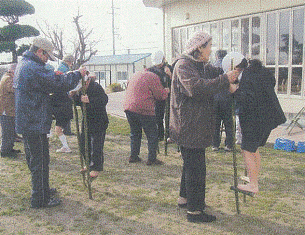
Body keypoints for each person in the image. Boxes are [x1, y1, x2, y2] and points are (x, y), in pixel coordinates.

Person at [169, 30, 240, 223]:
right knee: (196, 169)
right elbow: (197, 88)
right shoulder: (184, 65)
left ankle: (185, 199)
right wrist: (226, 80)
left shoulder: (200, 66)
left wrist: (230, 75)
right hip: (188, 126)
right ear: (199, 48)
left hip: (194, 125)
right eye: (209, 46)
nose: (211, 50)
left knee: (190, 165)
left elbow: (214, 76)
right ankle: (195, 211)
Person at [14, 37, 87, 209]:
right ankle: (40, 198)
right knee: (40, 161)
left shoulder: (24, 64)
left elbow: (48, 80)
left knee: (35, 159)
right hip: (34, 121)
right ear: (40, 52)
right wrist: (78, 74)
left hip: (28, 120)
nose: (48, 60)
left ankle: (42, 189)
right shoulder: (33, 67)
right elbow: (58, 84)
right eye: (47, 56)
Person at [233, 59, 286, 194]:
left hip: (255, 119)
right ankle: (253, 177)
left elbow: (247, 100)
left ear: (237, 68)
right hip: (267, 117)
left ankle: (253, 185)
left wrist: (234, 90)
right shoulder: (259, 72)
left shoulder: (247, 76)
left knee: (246, 150)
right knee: (253, 148)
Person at [124, 56, 170, 165]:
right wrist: (166, 91)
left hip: (129, 107)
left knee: (135, 132)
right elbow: (159, 96)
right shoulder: (153, 77)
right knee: (152, 134)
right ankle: (151, 159)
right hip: (143, 108)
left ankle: (133, 156)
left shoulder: (136, 74)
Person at [71, 72, 108, 179]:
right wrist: (77, 98)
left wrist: (90, 100)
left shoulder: (96, 87)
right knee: (84, 143)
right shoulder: (80, 90)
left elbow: (104, 100)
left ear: (87, 82)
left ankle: (96, 168)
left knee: (96, 145)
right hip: (86, 121)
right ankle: (88, 164)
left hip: (99, 121)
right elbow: (75, 100)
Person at [50, 55, 75, 153]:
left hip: (62, 104)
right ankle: (65, 145)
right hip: (62, 103)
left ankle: (65, 146)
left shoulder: (61, 68)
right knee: (58, 127)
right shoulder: (63, 69)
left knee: (58, 128)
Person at [212, 49, 234, 152]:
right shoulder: (228, 67)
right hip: (227, 97)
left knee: (216, 123)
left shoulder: (212, 66)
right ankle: (229, 145)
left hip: (215, 98)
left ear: (216, 56)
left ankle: (215, 144)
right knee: (228, 123)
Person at [147, 51, 172, 141]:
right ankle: (160, 134)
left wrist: (170, 75)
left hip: (169, 96)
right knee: (158, 116)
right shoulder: (151, 70)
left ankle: (169, 135)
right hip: (157, 97)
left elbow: (176, 81)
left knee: (169, 116)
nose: (158, 66)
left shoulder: (169, 68)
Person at [0, 63, 21, 158]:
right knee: (7, 131)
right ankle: (4, 151)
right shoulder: (8, 79)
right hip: (6, 110)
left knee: (11, 131)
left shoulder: (7, 77)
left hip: (9, 109)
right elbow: (12, 89)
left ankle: (9, 148)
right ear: (13, 70)